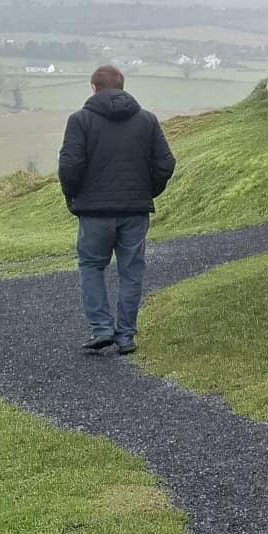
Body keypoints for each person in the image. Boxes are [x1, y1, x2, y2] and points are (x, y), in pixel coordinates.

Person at [58, 64, 176, 355]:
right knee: (131, 271)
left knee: (91, 266)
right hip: (135, 212)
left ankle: (101, 329)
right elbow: (166, 163)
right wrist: (147, 191)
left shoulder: (80, 120)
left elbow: (70, 165)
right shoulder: (147, 120)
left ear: (94, 88)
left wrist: (72, 197)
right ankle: (125, 336)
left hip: (94, 212)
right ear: (122, 87)